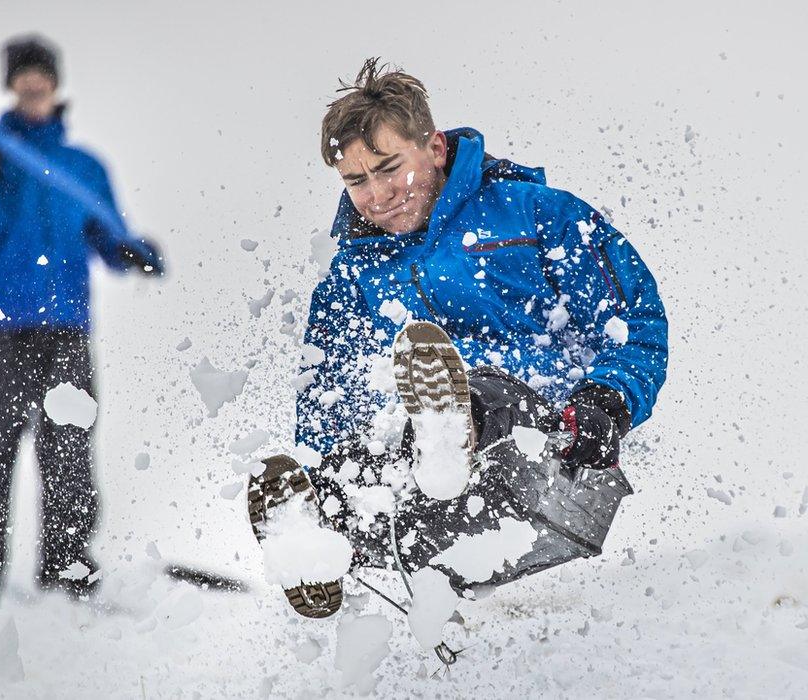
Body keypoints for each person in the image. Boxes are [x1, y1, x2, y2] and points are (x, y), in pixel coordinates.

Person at [248, 58, 667, 618]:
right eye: (356, 181)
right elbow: (327, 390)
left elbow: (633, 317)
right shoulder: (350, 276)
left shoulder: (535, 215)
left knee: (483, 397)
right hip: (421, 488)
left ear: (437, 149)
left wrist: (608, 399)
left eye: (390, 168)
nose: (377, 195)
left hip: (544, 450)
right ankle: (319, 534)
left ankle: (448, 432)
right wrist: (321, 462)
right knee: (356, 457)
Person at [0, 34, 163, 612]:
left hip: (66, 331)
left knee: (69, 454)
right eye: (23, 76)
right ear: (11, 85)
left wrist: (135, 252)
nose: (34, 84)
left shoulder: (83, 166)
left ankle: (67, 576)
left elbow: (108, 238)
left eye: (42, 75)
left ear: (57, 84)